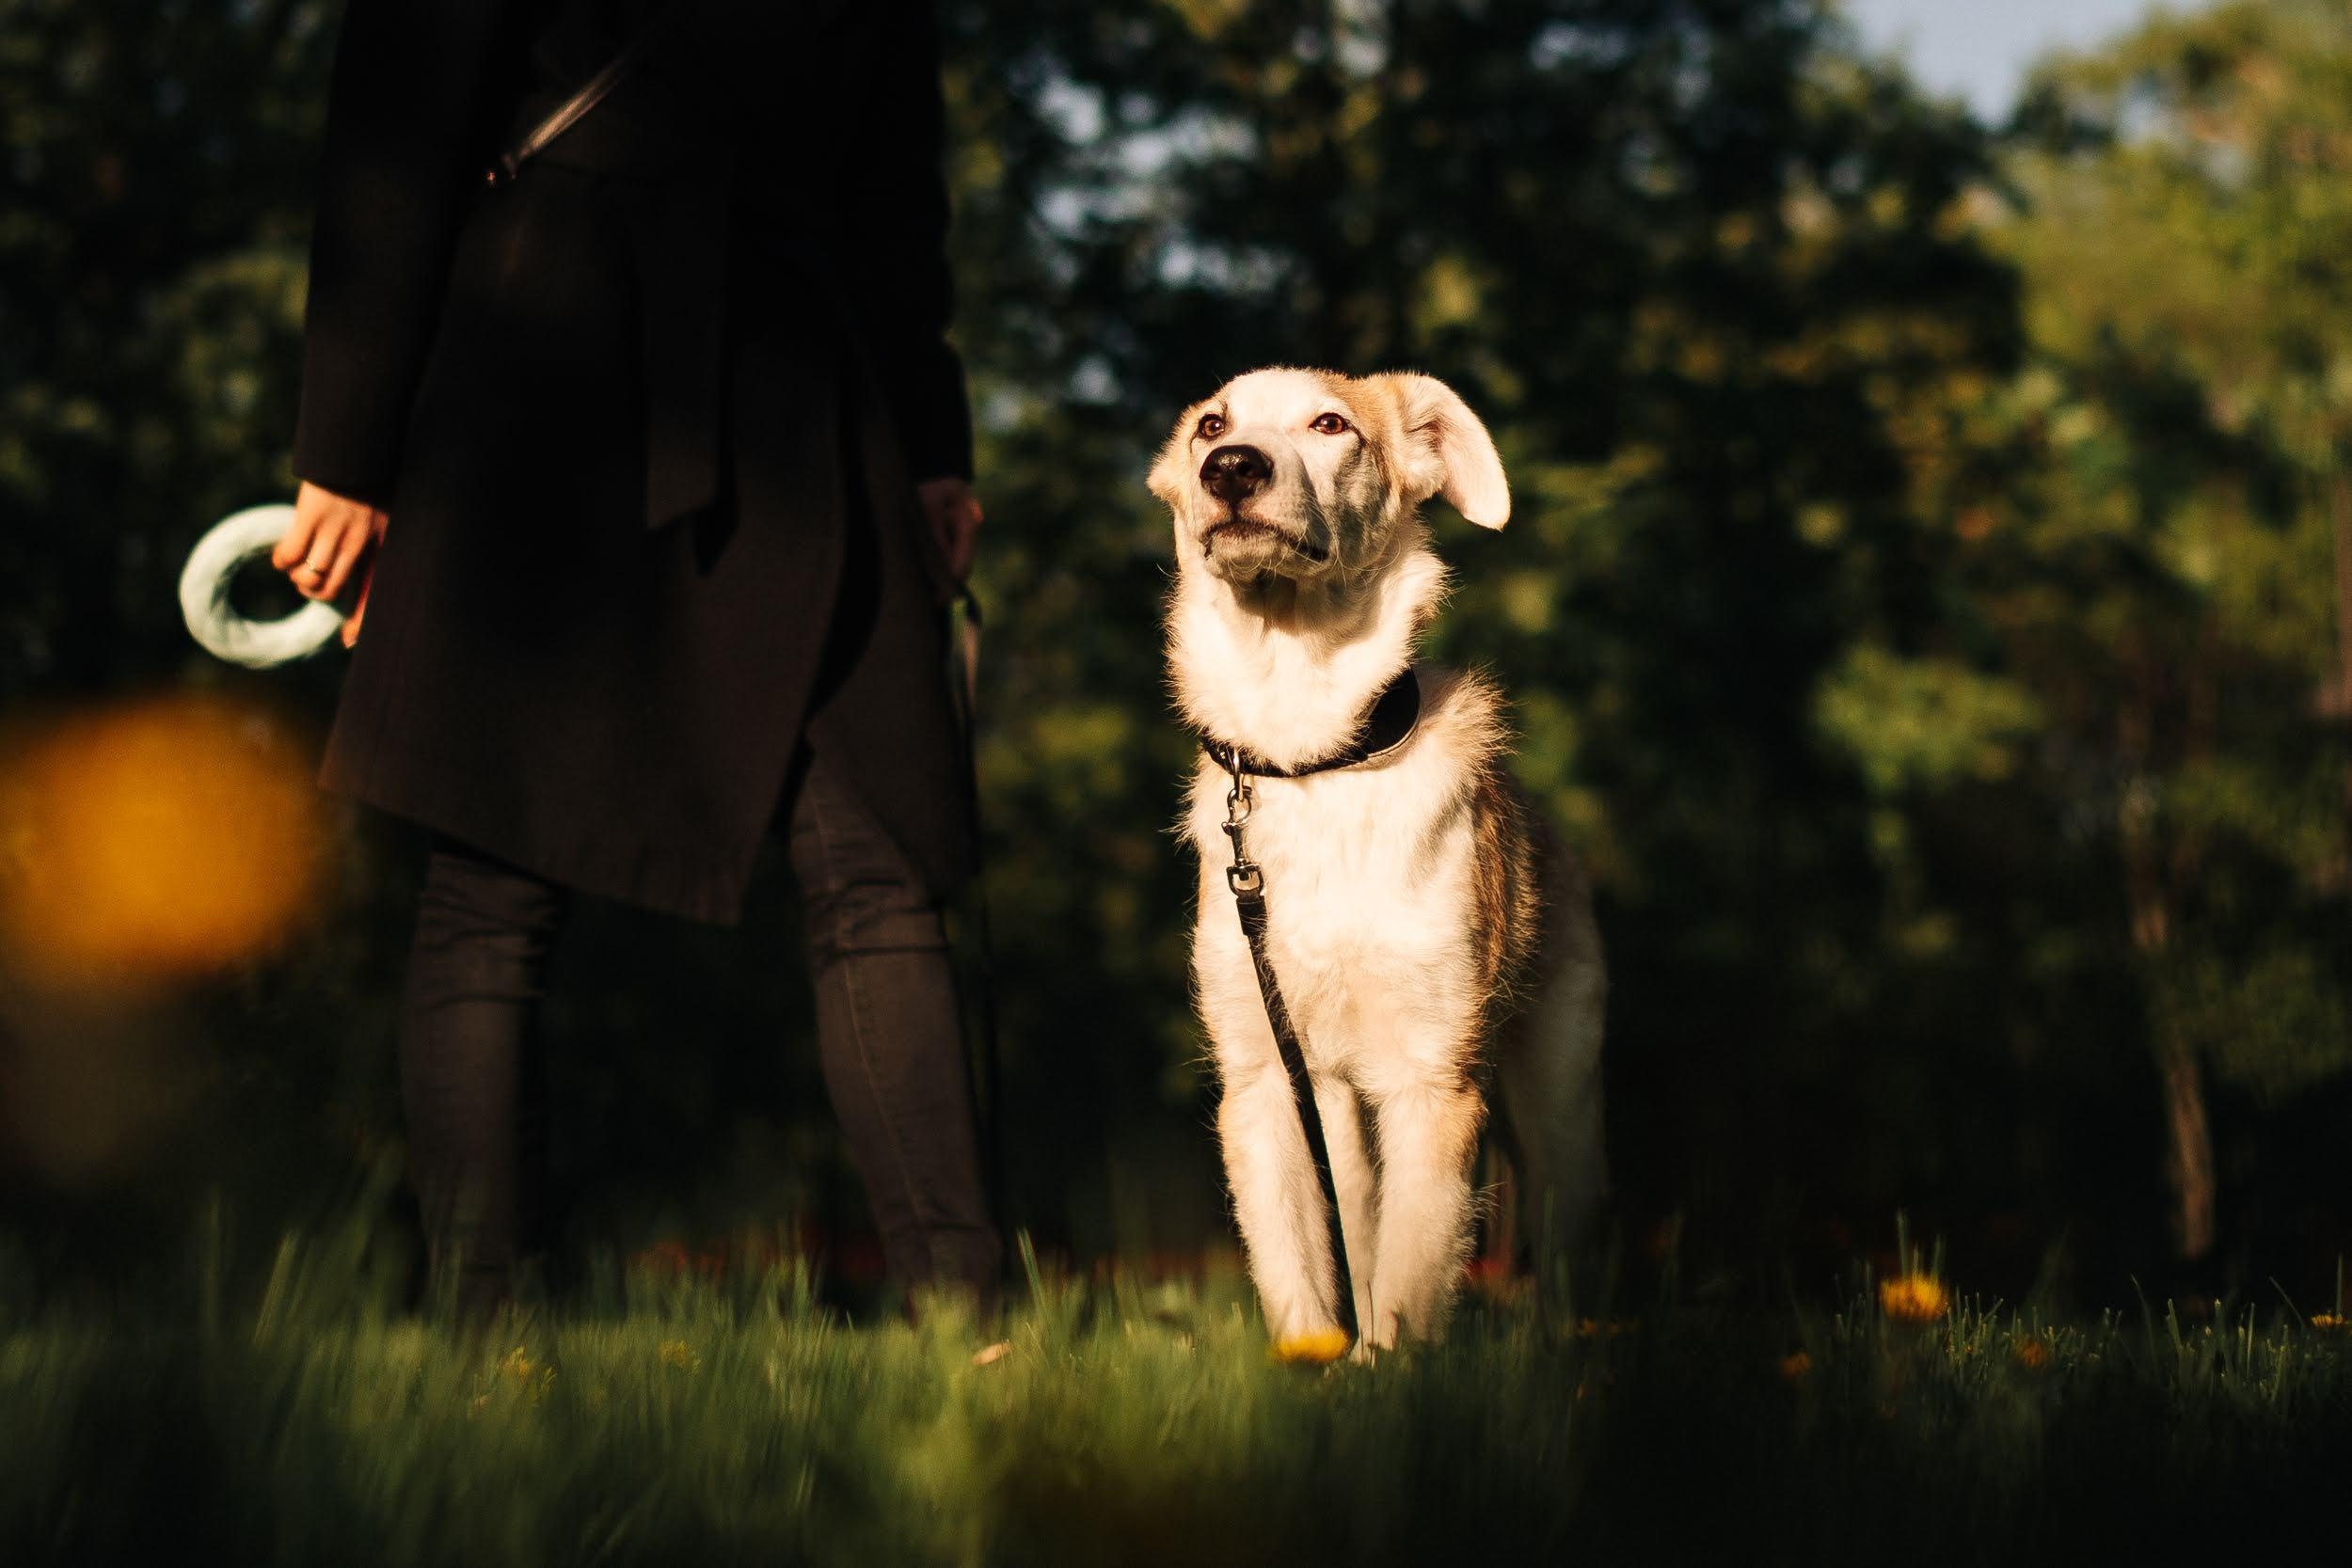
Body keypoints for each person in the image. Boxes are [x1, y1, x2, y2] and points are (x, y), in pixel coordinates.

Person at [269, 0, 1000, 1320]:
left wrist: (347, 450)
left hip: (657, 360)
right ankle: (499, 1334)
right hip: (594, 363)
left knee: (851, 867)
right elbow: (400, 132)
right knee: (830, 880)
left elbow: (393, 134)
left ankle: (969, 1325)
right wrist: (351, 450)